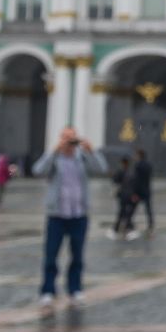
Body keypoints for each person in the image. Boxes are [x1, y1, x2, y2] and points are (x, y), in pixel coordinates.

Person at [34, 126, 107, 309]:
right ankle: (48, 291)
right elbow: (38, 170)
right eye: (66, 138)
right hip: (57, 215)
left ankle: (75, 290)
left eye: (73, 138)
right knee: (51, 256)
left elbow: (102, 168)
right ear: (60, 139)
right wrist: (54, 151)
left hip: (78, 214)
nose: (70, 142)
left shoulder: (82, 157)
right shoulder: (55, 158)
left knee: (77, 256)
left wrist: (92, 151)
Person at [130, 149, 155, 235]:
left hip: (139, 191)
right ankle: (151, 223)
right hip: (147, 190)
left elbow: (136, 180)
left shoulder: (137, 165)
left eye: (136, 155)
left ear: (139, 155)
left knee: (133, 207)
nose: (134, 157)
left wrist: (134, 192)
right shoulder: (149, 165)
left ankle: (129, 222)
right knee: (148, 209)